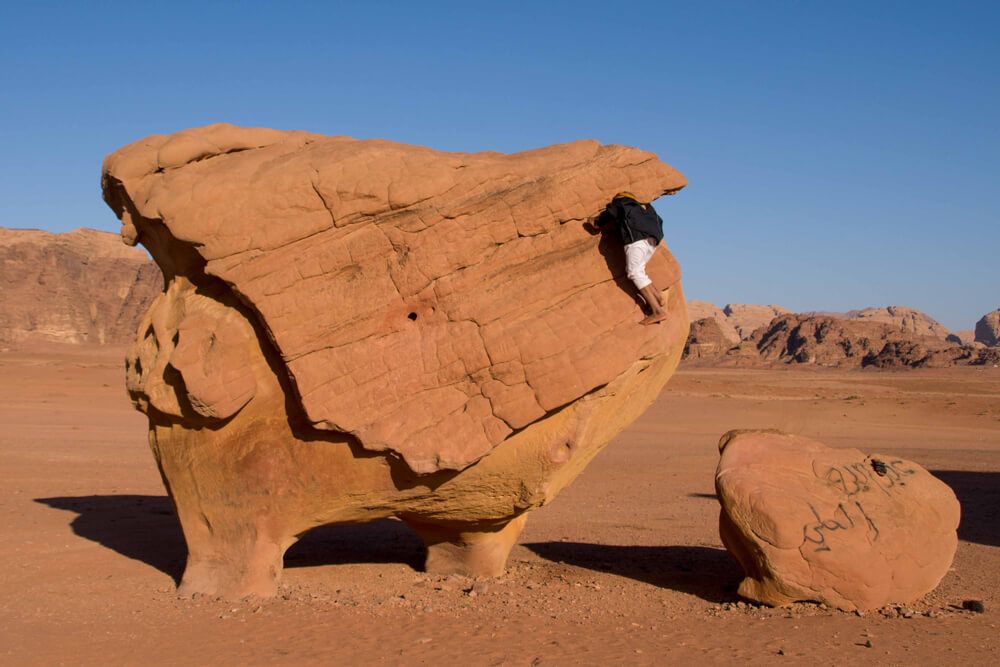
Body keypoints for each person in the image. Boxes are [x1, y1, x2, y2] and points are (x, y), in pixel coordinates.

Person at [591, 192, 668, 325]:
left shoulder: (621, 203)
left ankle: (658, 311)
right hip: (652, 242)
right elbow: (660, 221)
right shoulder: (643, 210)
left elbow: (606, 216)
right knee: (639, 271)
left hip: (636, 241)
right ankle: (658, 297)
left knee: (634, 272)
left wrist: (595, 222)